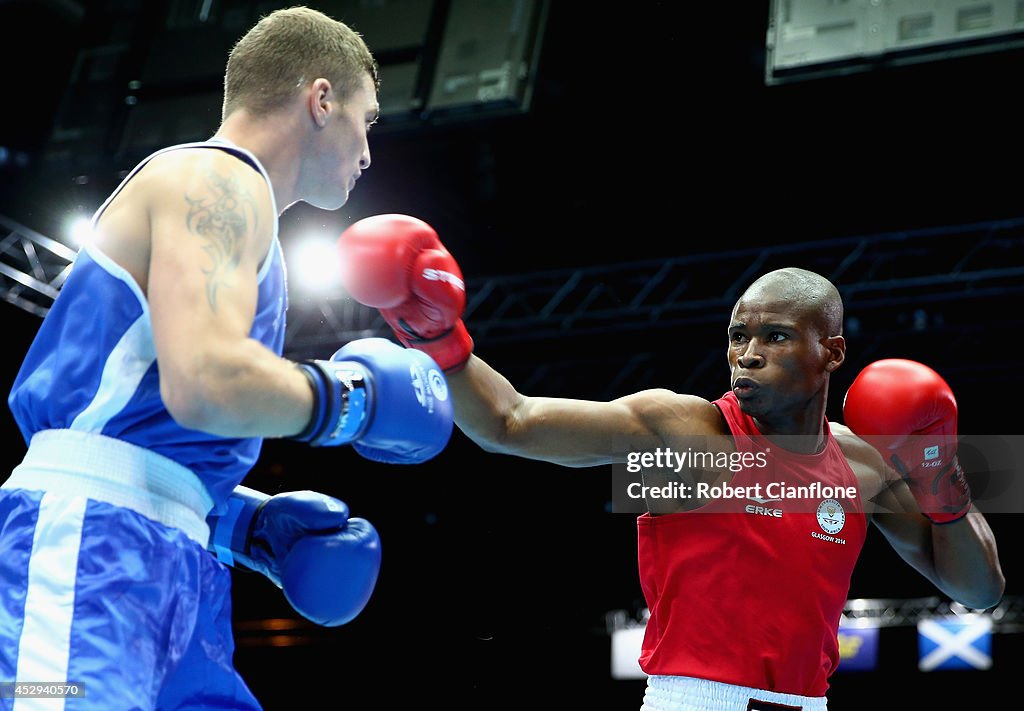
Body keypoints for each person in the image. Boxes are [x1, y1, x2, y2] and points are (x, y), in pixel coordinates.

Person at [334, 213, 1006, 711]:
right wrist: (435, 332)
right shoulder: (690, 432)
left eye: (774, 336)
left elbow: (979, 590)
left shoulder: (861, 463)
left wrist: (941, 478)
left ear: (831, 352)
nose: (747, 352)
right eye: (738, 335)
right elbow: (514, 422)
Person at [0, 8, 455, 710]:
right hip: (86, 547)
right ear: (321, 98)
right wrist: (352, 401)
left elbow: (156, 422)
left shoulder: (253, 232)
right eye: (368, 120)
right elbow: (205, 382)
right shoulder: (210, 179)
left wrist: (246, 522)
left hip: (178, 562)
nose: (369, 151)